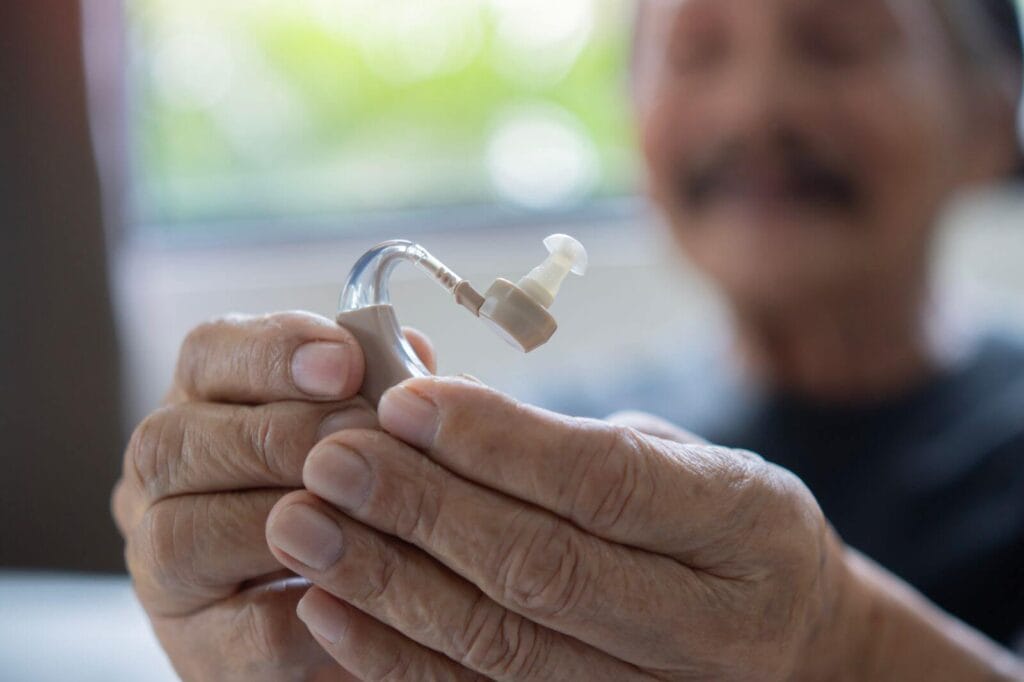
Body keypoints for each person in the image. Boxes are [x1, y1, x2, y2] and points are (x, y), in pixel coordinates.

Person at [111, 0, 1024, 679]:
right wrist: (278, 621)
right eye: (695, 50)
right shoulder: (543, 438)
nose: (756, 109)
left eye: (837, 43)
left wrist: (849, 650)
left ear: (992, 120)